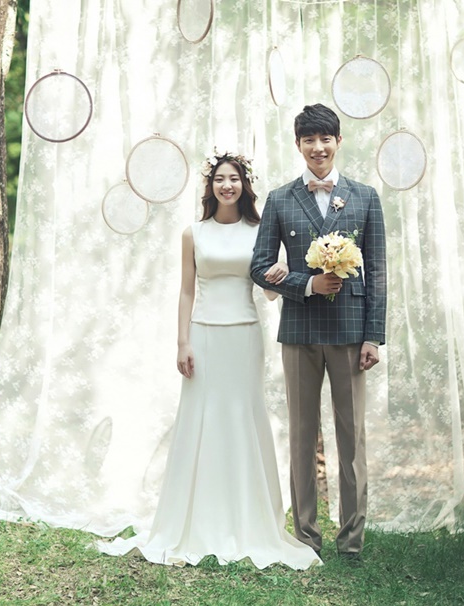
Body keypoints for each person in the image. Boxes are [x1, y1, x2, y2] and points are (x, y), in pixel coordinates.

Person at [97, 151, 321, 570]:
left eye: (234, 179)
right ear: (210, 186)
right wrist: (182, 342)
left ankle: (248, 520)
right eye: (220, 179)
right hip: (203, 335)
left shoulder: (261, 231)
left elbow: (269, 291)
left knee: (242, 418)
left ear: (244, 185)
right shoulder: (193, 233)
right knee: (200, 419)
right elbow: (186, 290)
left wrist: (279, 274)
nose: (227, 185)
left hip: (244, 335)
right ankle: (195, 520)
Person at [250, 104, 387, 561]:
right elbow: (258, 267)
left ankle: (351, 541)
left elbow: (378, 272)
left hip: (350, 331)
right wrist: (306, 284)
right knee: (302, 435)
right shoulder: (279, 199)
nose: (318, 147)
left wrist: (373, 336)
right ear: (298, 145)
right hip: (300, 331)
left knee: (352, 439)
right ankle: (306, 536)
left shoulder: (365, 196)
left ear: (338, 141)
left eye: (325, 138)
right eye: (309, 139)